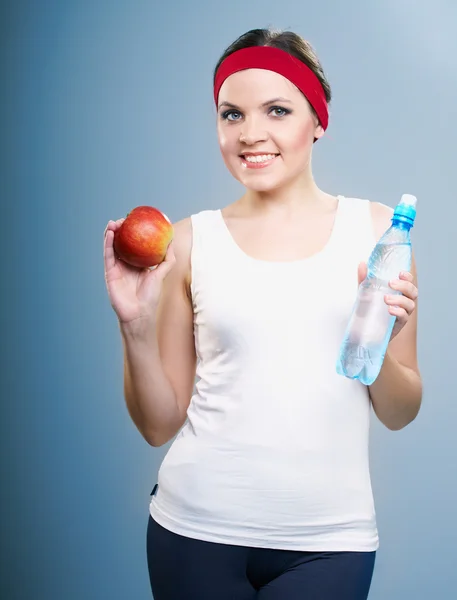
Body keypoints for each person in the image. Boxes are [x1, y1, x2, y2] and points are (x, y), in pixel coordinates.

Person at [103, 27, 422, 600]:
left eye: (277, 110)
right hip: (194, 531)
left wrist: (385, 343)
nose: (251, 134)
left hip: (331, 540)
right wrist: (136, 326)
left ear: (318, 119)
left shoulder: (379, 235)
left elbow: (399, 412)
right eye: (232, 115)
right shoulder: (186, 241)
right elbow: (156, 426)